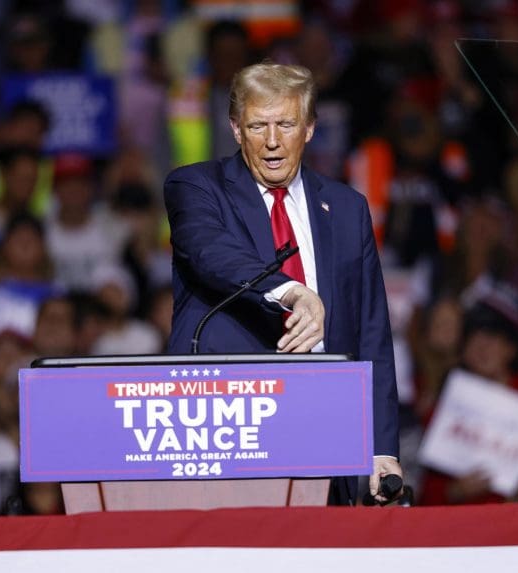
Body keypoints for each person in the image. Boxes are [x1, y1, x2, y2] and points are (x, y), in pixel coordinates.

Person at [163, 62, 402, 504]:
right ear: (236, 129)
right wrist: (291, 291)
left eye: (286, 124)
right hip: (230, 426)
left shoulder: (347, 208)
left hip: (326, 427)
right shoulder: (196, 187)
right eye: (258, 126)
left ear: (309, 128)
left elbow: (371, 332)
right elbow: (210, 252)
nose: (272, 142)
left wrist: (381, 447)